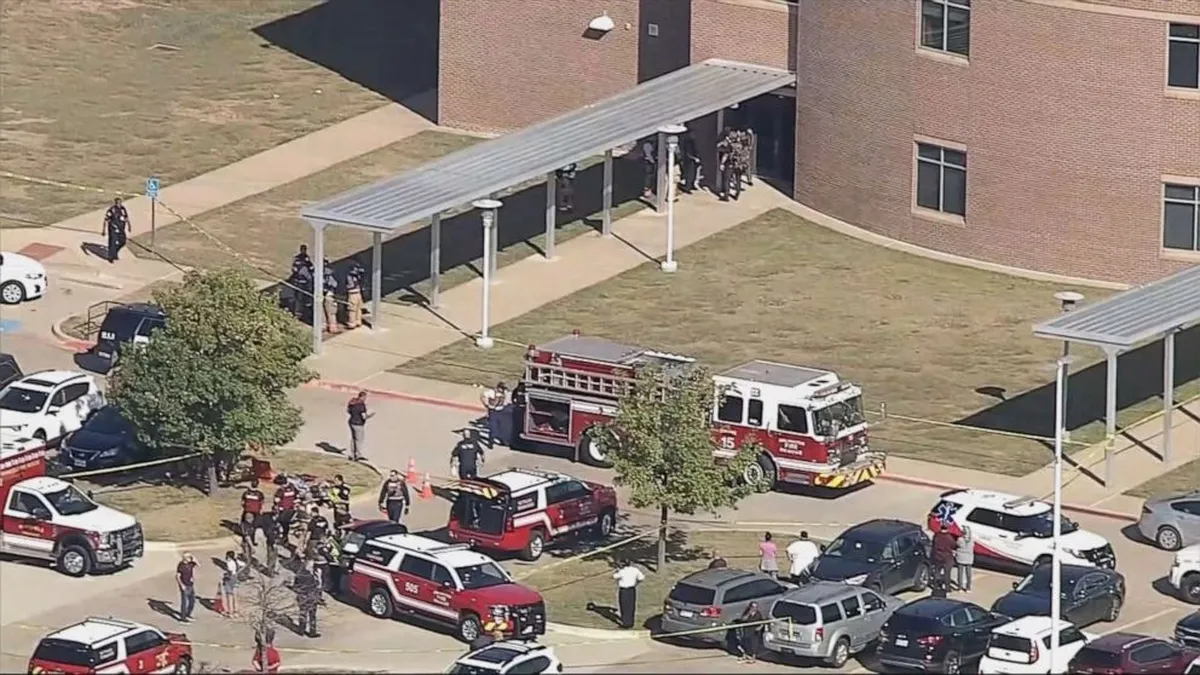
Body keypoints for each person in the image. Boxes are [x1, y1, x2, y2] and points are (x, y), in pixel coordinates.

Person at [612, 560, 645, 630]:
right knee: (631, 606)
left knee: (624, 606)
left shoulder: (622, 571)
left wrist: (617, 570)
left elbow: (614, 576)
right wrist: (636, 583)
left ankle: (625, 623)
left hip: (624, 590)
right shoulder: (635, 570)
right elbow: (641, 578)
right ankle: (631, 622)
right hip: (632, 589)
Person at [294, 562, 322, 638]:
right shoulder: (311, 577)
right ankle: (312, 632)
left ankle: (301, 630)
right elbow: (316, 585)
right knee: (312, 615)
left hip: (302, 597)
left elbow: (295, 587)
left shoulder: (298, 575)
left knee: (302, 613)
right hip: (311, 597)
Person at [931, 522, 958, 596]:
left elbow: (933, 544)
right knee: (947, 573)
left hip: (937, 556)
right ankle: (947, 588)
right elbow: (954, 545)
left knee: (937, 571)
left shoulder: (936, 535)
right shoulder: (949, 537)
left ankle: (936, 586)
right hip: (947, 557)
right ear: (947, 528)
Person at [273, 477, 299, 549]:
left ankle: (283, 538)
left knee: (280, 523)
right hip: (291, 509)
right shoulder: (293, 487)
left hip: (283, 510)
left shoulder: (281, 490)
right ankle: (285, 538)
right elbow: (297, 497)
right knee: (286, 524)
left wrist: (276, 506)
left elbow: (276, 500)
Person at [479, 382, 507, 448]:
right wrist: (486, 404)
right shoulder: (491, 392)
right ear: (498, 387)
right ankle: (490, 442)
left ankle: (502, 440)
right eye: (502, 388)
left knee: (502, 427)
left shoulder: (504, 393)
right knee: (493, 428)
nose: (503, 390)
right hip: (493, 412)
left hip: (501, 411)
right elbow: (482, 395)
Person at [346, 391, 372, 461]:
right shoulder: (361, 405)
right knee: (359, 440)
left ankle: (352, 454)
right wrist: (369, 416)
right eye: (365, 397)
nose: (365, 399)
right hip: (358, 424)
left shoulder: (352, 402)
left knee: (353, 438)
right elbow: (363, 417)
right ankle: (357, 455)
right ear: (362, 397)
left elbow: (348, 411)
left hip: (351, 422)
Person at [102, 198, 131, 263]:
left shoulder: (123, 209)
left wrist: (129, 226)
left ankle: (115, 252)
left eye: (120, 203)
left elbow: (126, 218)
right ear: (115, 203)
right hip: (113, 228)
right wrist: (103, 230)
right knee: (112, 242)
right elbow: (106, 219)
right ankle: (111, 257)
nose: (119, 204)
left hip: (121, 228)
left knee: (123, 241)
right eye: (117, 203)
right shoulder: (112, 210)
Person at [240, 479, 265, 545]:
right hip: (256, 511)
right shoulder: (259, 494)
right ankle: (253, 540)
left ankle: (245, 539)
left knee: (245, 525)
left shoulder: (246, 493)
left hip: (248, 510)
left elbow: (242, 502)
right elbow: (262, 502)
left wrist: (245, 507)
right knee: (254, 526)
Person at [175, 552, 198, 623]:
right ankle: (183, 618)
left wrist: (193, 558)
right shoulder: (181, 565)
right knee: (185, 602)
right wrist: (181, 585)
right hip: (184, 585)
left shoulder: (190, 564)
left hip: (190, 584)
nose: (190, 558)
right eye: (189, 557)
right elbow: (177, 576)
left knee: (192, 601)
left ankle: (188, 614)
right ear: (185, 558)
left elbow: (198, 565)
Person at [220, 550, 242, 617]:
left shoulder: (229, 563)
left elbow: (230, 571)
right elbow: (243, 564)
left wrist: (226, 576)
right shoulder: (236, 561)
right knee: (235, 595)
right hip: (235, 577)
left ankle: (230, 612)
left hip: (230, 579)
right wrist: (238, 572)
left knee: (229, 595)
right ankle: (236, 611)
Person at [345, 260, 365, 329]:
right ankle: (352, 323)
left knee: (359, 308)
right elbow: (351, 285)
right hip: (352, 293)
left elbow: (362, 282)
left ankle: (358, 321)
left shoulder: (358, 275)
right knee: (352, 309)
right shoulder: (349, 276)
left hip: (358, 293)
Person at [955, 524, 974, 592]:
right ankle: (968, 588)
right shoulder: (971, 540)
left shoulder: (960, 539)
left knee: (960, 573)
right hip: (969, 558)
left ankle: (960, 587)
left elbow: (957, 545)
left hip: (961, 557)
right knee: (968, 574)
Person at [260, 509, 280, 577]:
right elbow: (270, 534)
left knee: (274, 557)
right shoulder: (270, 524)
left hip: (275, 541)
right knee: (271, 557)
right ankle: (270, 572)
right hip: (271, 542)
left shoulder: (275, 522)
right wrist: (273, 543)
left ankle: (272, 570)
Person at [322, 262, 340, 334]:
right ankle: (333, 327)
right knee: (331, 312)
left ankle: (323, 325)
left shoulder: (317, 274)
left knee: (322, 311)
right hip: (329, 295)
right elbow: (334, 284)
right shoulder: (329, 277)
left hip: (321, 294)